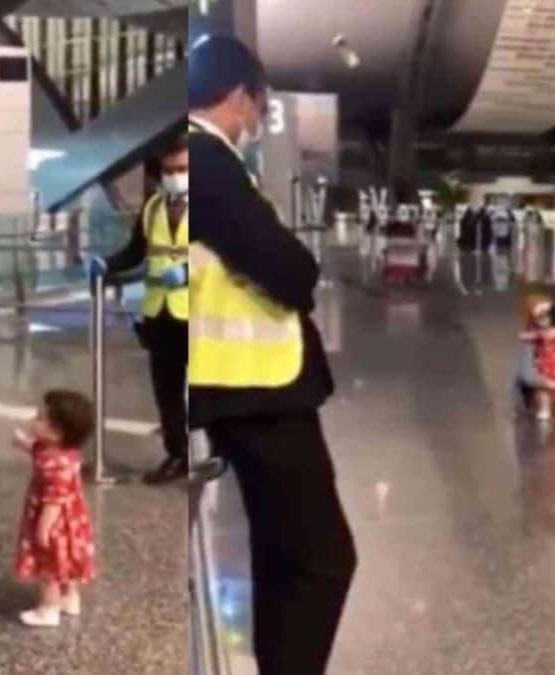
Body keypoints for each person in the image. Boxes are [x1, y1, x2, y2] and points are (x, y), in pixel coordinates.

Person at [188, 35, 357, 675]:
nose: (259, 124)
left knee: (281, 548)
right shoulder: (206, 162)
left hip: (239, 388)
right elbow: (288, 270)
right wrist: (303, 263)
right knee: (323, 558)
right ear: (239, 97)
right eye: (259, 109)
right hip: (254, 393)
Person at [88, 135, 189, 485]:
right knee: (167, 388)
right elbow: (135, 252)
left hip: (198, 313)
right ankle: (179, 454)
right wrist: (107, 263)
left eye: (183, 169)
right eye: (169, 170)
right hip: (160, 311)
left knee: (210, 389)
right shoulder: (153, 208)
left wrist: (189, 273)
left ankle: (218, 454)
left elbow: (223, 256)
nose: (175, 176)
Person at [12, 390, 97, 628]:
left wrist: (43, 528)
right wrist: (23, 444)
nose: (33, 419)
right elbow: (37, 452)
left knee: (48, 567)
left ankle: (48, 609)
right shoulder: (64, 454)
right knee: (66, 562)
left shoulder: (54, 463)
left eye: (40, 418)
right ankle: (70, 598)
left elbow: (54, 500)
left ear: (57, 432)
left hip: (55, 523)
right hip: (73, 522)